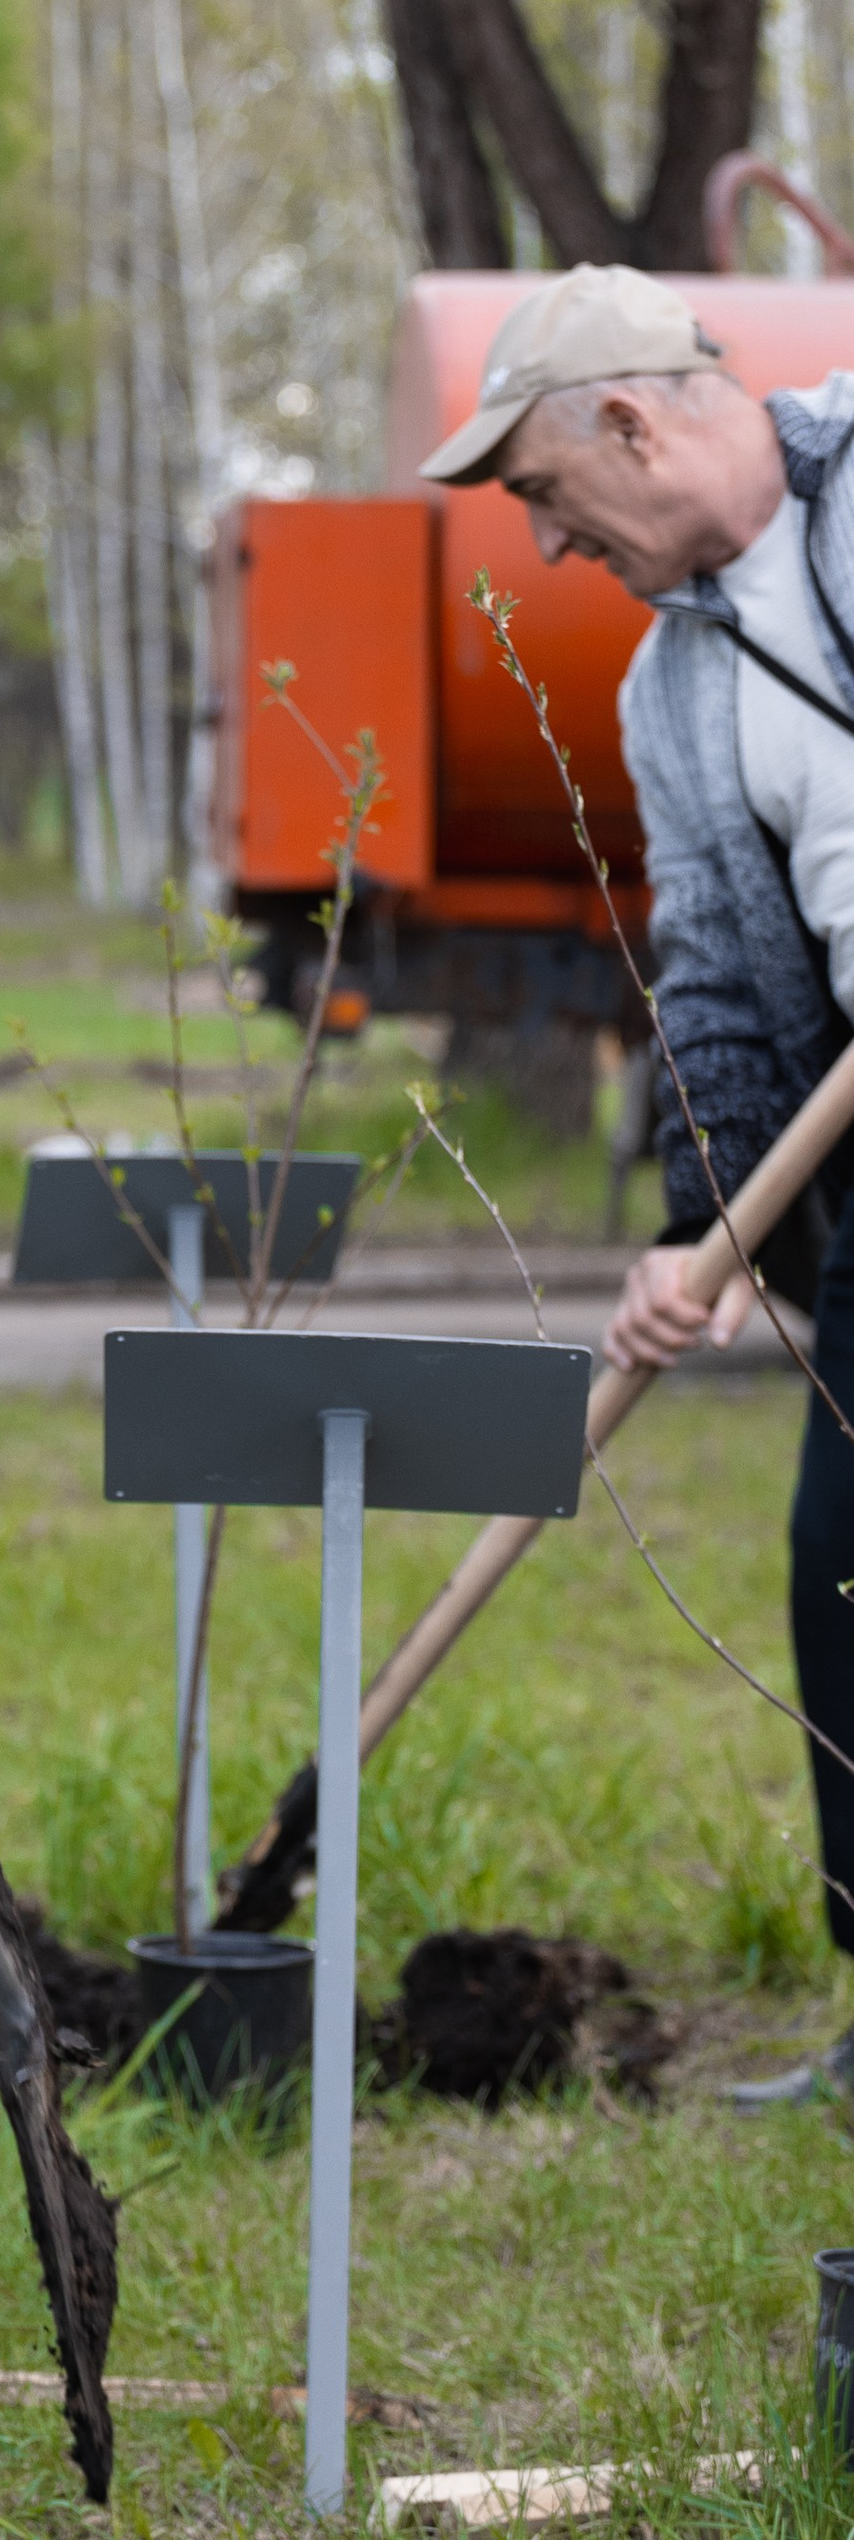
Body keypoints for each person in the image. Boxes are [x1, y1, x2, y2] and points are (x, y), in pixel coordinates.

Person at [421, 262, 854, 2103]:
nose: (544, 544)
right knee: (841, 1567)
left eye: (543, 493)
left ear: (628, 420)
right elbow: (718, 984)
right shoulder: (674, 685)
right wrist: (704, 1229)